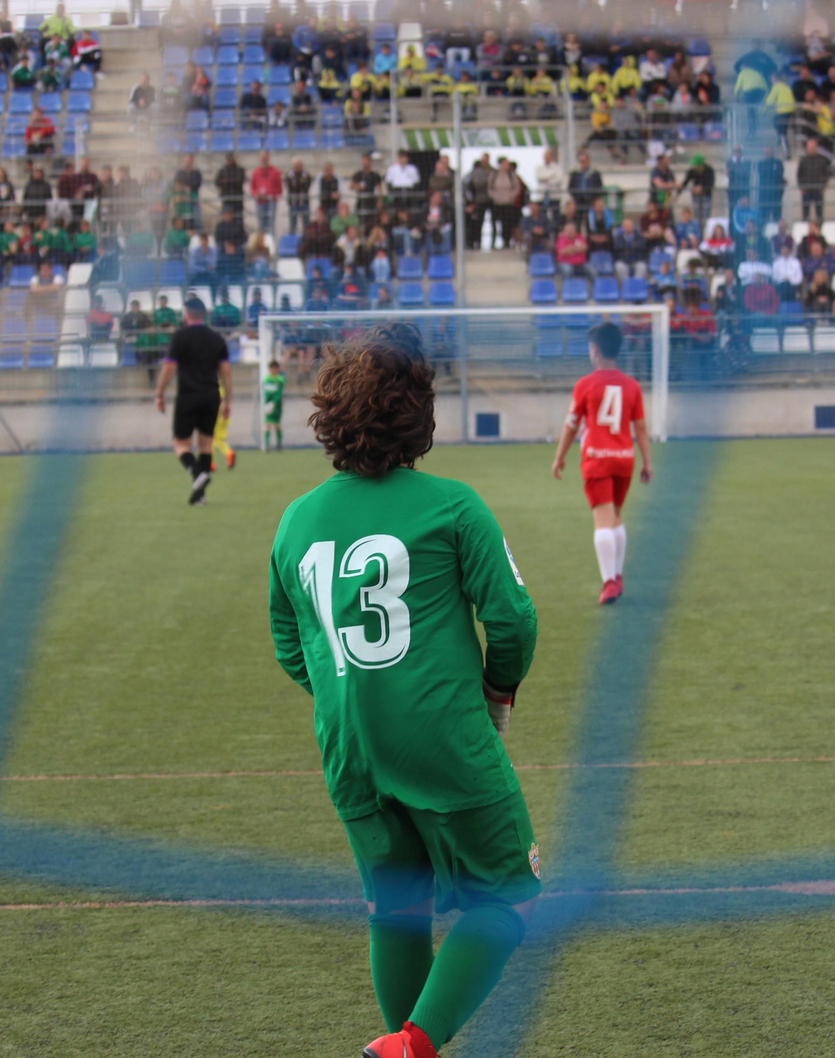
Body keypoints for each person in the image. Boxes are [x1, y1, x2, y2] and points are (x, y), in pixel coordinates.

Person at [266, 324, 540, 1058]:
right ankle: (414, 1045)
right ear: (421, 416)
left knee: (396, 906)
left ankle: (405, 1045)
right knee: (508, 894)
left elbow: (293, 644)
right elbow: (513, 619)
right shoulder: (452, 505)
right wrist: (497, 693)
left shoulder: (295, 522)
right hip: (441, 738)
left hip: (349, 746)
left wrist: (350, 695)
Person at [550, 322, 653, 605]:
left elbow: (572, 425)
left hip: (597, 460)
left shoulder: (585, 385)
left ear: (595, 351)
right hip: (624, 461)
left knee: (602, 520)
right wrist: (647, 462)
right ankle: (617, 576)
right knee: (615, 516)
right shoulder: (632, 386)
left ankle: (608, 582)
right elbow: (641, 428)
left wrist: (560, 456)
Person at [154, 297, 232, 505]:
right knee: (206, 444)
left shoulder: (180, 337)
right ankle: (201, 496)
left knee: (180, 443)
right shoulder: (217, 338)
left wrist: (160, 393)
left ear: (187, 313)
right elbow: (226, 372)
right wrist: (228, 401)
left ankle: (197, 473)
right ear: (204, 315)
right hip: (211, 396)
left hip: (188, 395)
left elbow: (169, 367)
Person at [262, 358, 285, 450]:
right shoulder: (267, 379)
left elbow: (279, 393)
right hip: (268, 405)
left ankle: (279, 445)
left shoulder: (280, 379)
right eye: (272, 368)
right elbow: (267, 392)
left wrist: (274, 402)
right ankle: (267, 445)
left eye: (275, 368)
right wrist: (268, 403)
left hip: (277, 406)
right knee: (268, 424)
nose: (274, 370)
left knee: (277, 425)